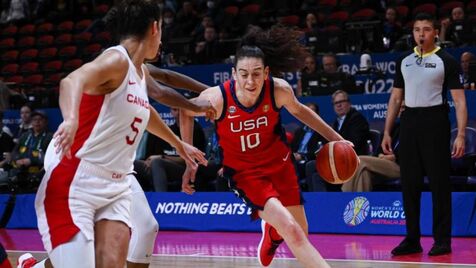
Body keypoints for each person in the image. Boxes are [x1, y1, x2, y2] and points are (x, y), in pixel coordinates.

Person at [17, 1, 206, 268]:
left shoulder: (138, 72)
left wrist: (179, 144)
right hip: (76, 174)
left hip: (114, 184)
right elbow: (72, 81)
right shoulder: (116, 59)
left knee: (125, 241)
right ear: (155, 28)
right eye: (162, 30)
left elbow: (145, 111)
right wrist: (70, 119)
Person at [181, 25, 349, 268]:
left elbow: (302, 112)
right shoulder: (217, 99)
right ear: (234, 73)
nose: (251, 81)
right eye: (244, 74)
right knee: (291, 229)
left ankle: (271, 235)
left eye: (257, 73)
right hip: (246, 173)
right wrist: (188, 158)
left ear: (267, 72)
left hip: (279, 165)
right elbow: (185, 110)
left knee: (301, 228)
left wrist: (336, 139)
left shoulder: (278, 90)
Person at [382, 13, 467, 257]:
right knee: (409, 184)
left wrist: (460, 134)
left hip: (435, 122)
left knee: (439, 184)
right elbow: (396, 98)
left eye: (426, 29)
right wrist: (388, 131)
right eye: (417, 29)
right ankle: (412, 239)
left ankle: (442, 240)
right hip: (408, 124)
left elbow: (460, 102)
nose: (421, 34)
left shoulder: (446, 60)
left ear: (435, 33)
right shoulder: (404, 61)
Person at [342, 103, 404, 192]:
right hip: (384, 164)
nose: (402, 110)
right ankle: (359, 205)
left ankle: (344, 200)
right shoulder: (392, 128)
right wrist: (381, 156)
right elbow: (378, 151)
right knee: (364, 173)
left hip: (402, 166)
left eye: (405, 107)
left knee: (359, 161)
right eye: (400, 107)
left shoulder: (415, 129)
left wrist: (395, 157)